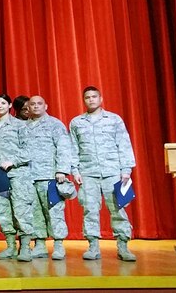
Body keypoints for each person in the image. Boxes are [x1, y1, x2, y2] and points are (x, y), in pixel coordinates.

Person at [70, 86, 137, 262]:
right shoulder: (77, 122)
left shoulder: (114, 120)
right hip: (88, 173)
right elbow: (73, 148)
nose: (91, 100)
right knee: (90, 210)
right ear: (83, 100)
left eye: (94, 96)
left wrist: (126, 170)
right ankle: (93, 246)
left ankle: (123, 245)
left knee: (118, 208)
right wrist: (75, 171)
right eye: (87, 97)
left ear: (101, 99)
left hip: (113, 172)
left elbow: (124, 144)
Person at [0, 93, 35, 262]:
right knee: (3, 212)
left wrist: (14, 161)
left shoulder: (20, 126)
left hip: (18, 174)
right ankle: (10, 246)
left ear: (10, 105)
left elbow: (29, 150)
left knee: (21, 211)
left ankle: (25, 247)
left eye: (3, 103)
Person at [26, 95, 73, 260]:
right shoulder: (25, 126)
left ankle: (58, 245)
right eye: (33, 104)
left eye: (39, 103)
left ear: (46, 106)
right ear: (28, 107)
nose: (36, 106)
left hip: (50, 176)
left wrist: (62, 170)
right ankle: (40, 244)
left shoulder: (55, 124)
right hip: (30, 177)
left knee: (54, 211)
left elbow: (64, 148)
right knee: (35, 212)